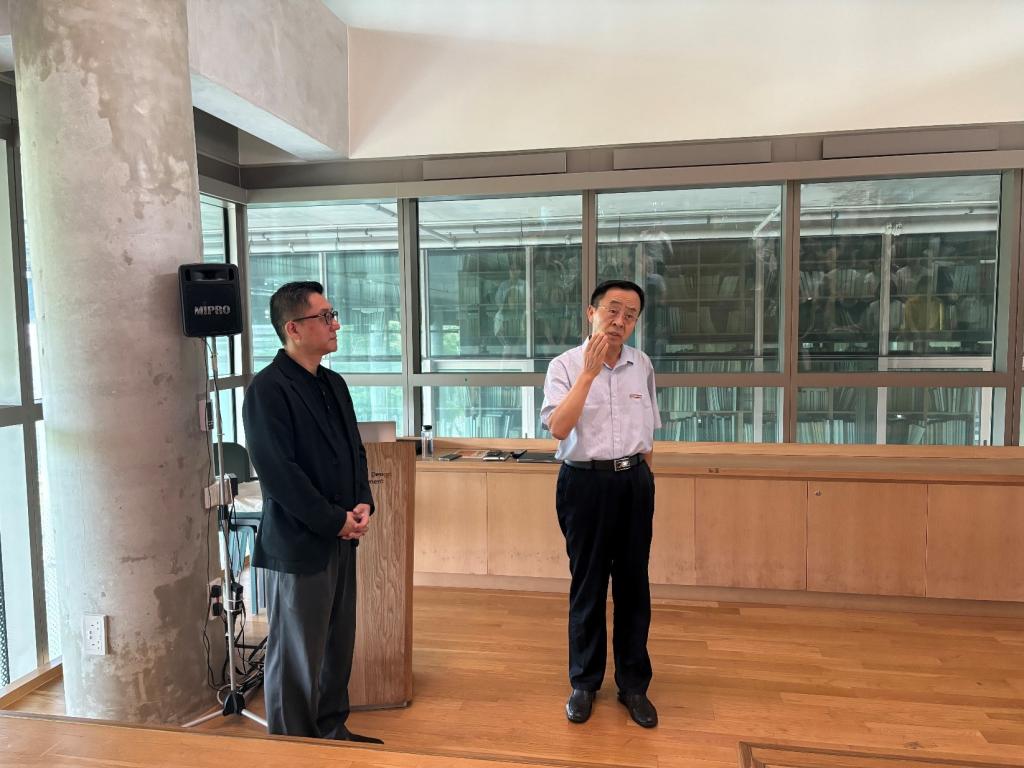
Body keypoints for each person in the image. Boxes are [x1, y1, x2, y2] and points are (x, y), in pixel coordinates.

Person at [242, 281, 381, 743]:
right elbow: (279, 474)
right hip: (300, 542)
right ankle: (294, 744)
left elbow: (354, 451)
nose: (335, 324)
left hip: (341, 536)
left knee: (337, 643)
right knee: (297, 653)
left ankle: (331, 731)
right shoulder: (268, 389)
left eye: (332, 314)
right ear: (294, 328)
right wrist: (334, 520)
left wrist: (362, 502)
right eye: (325, 316)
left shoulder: (332, 383)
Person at [540, 279, 661, 728]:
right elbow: (558, 428)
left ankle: (634, 685)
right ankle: (584, 682)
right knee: (588, 584)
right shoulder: (564, 366)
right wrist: (589, 373)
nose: (620, 320)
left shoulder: (641, 365)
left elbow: (648, 433)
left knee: (633, 585)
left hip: (634, 482)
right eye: (612, 310)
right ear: (591, 313)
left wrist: (645, 480)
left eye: (630, 315)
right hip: (584, 483)